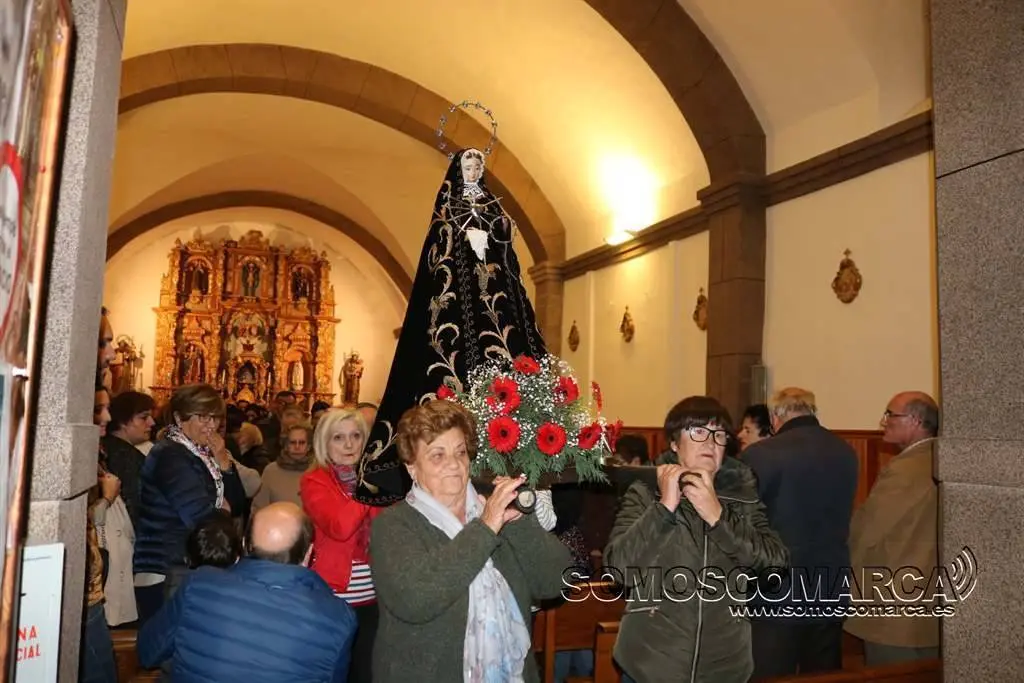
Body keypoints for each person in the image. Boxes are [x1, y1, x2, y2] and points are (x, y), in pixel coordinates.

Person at [357, 147, 547, 505]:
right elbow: (439, 259)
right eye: (467, 166)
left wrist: (495, 233)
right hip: (458, 310)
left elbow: (507, 250)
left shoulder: (493, 208)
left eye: (477, 166)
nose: (473, 171)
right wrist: (465, 234)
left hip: (495, 300)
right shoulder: (447, 211)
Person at [370, 400, 570, 682]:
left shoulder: (494, 510)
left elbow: (556, 581)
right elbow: (414, 599)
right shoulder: (393, 525)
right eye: (437, 455)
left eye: (460, 452)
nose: (454, 464)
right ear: (412, 468)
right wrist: (485, 527)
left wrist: (520, 524)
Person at [604, 396, 789, 683]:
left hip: (724, 666)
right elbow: (619, 569)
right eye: (699, 431)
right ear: (674, 443)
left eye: (719, 434)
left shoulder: (742, 493)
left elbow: (775, 565)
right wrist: (664, 508)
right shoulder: (646, 490)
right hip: (652, 663)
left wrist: (718, 517)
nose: (710, 442)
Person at [137, 503, 357, 682]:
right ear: (309, 554)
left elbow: (147, 653)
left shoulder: (199, 585)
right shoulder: (338, 619)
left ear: (244, 543)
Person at [742, 388, 858, 680]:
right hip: (829, 585)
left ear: (774, 417)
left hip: (775, 591)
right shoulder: (845, 451)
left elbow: (742, 521)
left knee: (770, 673)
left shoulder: (761, 454)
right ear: (813, 412)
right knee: (822, 675)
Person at [845, 392, 941, 666]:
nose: (883, 421)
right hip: (928, 601)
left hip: (894, 606)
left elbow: (868, 531)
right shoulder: (938, 460)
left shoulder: (906, 469)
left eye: (890, 414)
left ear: (915, 420)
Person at [133, 384, 232, 624]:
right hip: (166, 566)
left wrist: (222, 461)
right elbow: (198, 516)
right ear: (179, 418)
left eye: (215, 417)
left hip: (185, 565)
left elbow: (237, 501)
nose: (211, 425)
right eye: (202, 417)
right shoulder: (170, 454)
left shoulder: (201, 453)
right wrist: (222, 512)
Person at [301, 409, 383, 683]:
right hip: (333, 597)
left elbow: (387, 530)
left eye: (356, 436)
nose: (349, 444)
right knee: (332, 674)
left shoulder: (378, 479)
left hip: (374, 596)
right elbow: (340, 527)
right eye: (338, 437)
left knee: (366, 674)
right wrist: (367, 488)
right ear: (324, 443)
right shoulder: (314, 481)